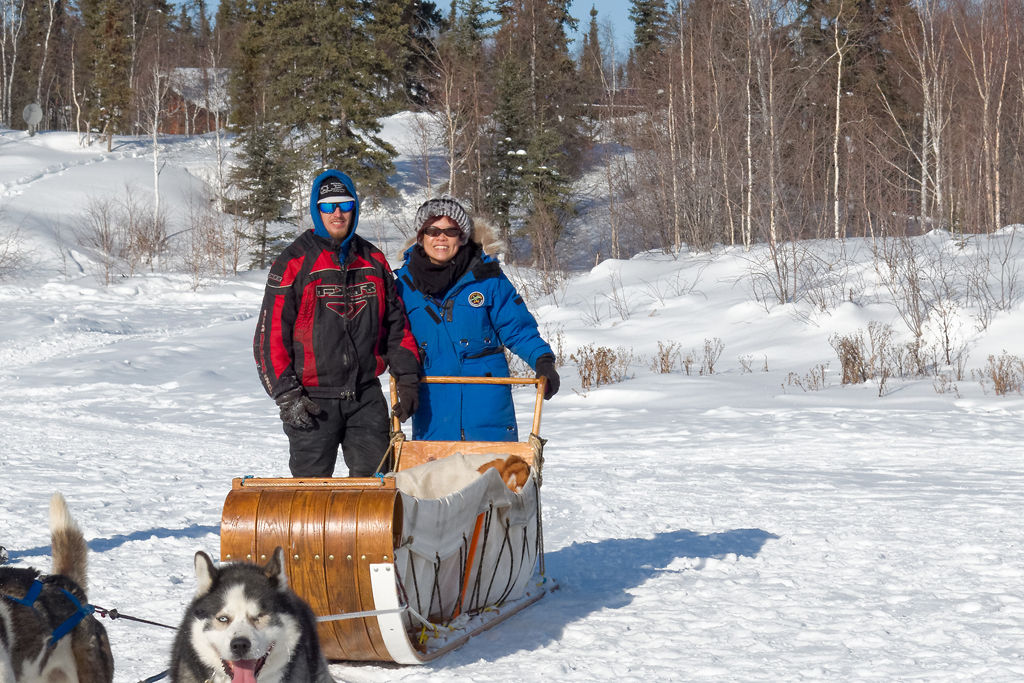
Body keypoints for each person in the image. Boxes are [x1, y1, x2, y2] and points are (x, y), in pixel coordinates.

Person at [254, 170, 421, 477]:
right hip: (312, 400)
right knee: (312, 498)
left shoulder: (374, 260)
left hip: (365, 397)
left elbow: (397, 328)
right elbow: (269, 338)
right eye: (329, 206)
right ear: (317, 210)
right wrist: (287, 396)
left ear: (354, 207)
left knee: (376, 491)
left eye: (344, 204)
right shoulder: (293, 261)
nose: (338, 213)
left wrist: (409, 379)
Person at [394, 195, 559, 442]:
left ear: (461, 236)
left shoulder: (487, 278)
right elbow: (393, 340)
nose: (441, 237)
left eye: (450, 230)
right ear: (421, 236)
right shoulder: (402, 287)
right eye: (432, 230)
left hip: (487, 409)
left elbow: (517, 329)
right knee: (438, 478)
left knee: (493, 477)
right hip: (433, 408)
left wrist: (542, 360)